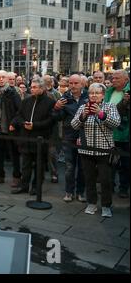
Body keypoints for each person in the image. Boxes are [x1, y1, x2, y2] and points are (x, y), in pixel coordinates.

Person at [71, 83, 121, 218]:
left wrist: (101, 114)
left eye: (97, 93)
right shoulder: (83, 107)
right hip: (86, 150)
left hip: (104, 150)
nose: (93, 95)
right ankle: (91, 203)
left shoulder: (110, 107)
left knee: (106, 180)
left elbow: (116, 123)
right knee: (89, 179)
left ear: (103, 95)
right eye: (91, 93)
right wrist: (83, 116)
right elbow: (74, 125)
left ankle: (106, 205)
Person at [11, 78, 55, 195]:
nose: (32, 89)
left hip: (40, 138)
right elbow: (18, 115)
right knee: (25, 165)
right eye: (31, 87)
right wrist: (23, 124)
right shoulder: (26, 101)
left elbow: (51, 120)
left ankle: (36, 186)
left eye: (35, 87)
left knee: (39, 166)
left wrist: (35, 125)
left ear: (42, 88)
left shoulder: (49, 102)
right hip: (26, 138)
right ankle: (24, 186)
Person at [53, 74, 89, 202]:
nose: (73, 86)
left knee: (83, 166)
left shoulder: (88, 96)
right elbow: (58, 117)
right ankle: (69, 191)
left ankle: (80, 192)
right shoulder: (65, 97)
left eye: (76, 83)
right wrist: (56, 108)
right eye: (71, 83)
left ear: (82, 84)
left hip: (85, 135)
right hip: (69, 135)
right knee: (69, 166)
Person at [104, 70, 130, 199]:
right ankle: (109, 186)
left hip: (125, 133)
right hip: (110, 132)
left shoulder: (128, 93)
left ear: (126, 80)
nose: (113, 80)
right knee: (109, 162)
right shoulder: (109, 91)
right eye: (112, 78)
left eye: (117, 78)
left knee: (125, 163)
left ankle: (123, 188)